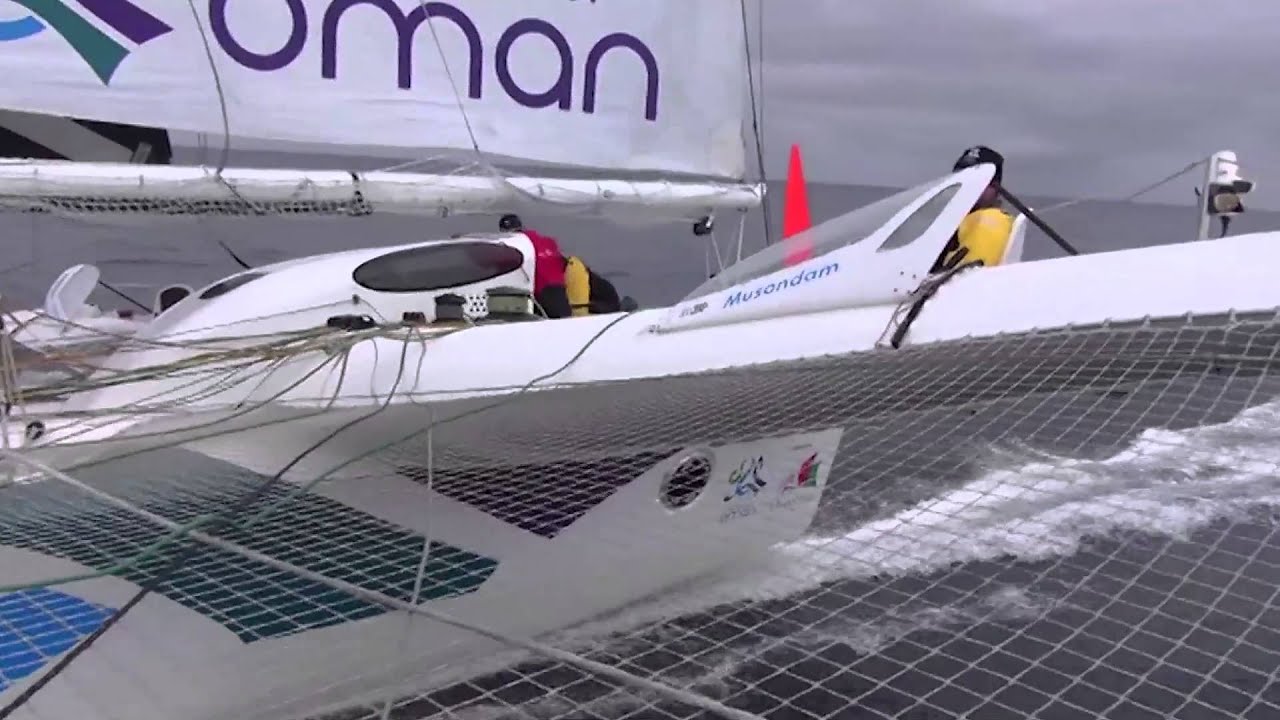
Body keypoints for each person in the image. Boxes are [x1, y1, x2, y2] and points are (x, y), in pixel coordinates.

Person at [498, 214, 623, 318]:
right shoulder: (546, 241)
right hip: (562, 283)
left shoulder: (513, 245)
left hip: (542, 288)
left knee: (560, 321)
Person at [931, 145, 1015, 273]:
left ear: (995, 186)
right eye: (961, 177)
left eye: (977, 179)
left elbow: (961, 281)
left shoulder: (989, 221)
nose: (967, 184)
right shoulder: (955, 221)